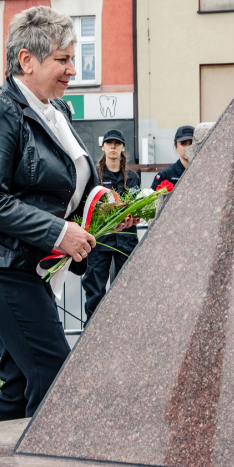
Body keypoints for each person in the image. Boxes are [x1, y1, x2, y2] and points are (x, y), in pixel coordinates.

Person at [0, 6, 131, 425]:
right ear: (27, 60)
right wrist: (59, 233)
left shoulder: (58, 112)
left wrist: (101, 201)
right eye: (63, 59)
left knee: (21, 390)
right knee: (55, 377)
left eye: (73, 58)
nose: (73, 69)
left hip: (26, 263)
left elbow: (71, 183)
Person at [82, 129, 141, 322]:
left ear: (123, 147)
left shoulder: (132, 177)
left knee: (125, 292)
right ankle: (91, 337)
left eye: (117, 143)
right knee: (95, 293)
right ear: (103, 147)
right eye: (109, 143)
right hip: (100, 242)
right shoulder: (94, 176)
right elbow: (87, 206)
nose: (113, 146)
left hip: (126, 240)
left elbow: (136, 208)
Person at [151, 125, 194, 191]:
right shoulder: (165, 175)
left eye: (192, 144)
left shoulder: (205, 173)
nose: (188, 148)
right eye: (183, 144)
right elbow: (153, 198)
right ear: (176, 145)